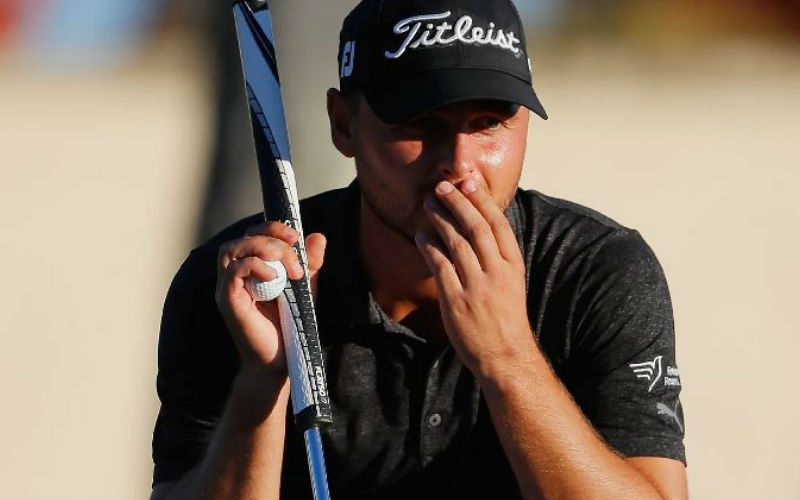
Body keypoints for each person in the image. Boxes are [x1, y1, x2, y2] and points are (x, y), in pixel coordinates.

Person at [150, 0, 688, 498]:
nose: (459, 164)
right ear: (344, 124)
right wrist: (260, 385)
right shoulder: (243, 287)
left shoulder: (597, 271)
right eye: (422, 123)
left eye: (489, 123)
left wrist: (508, 357)